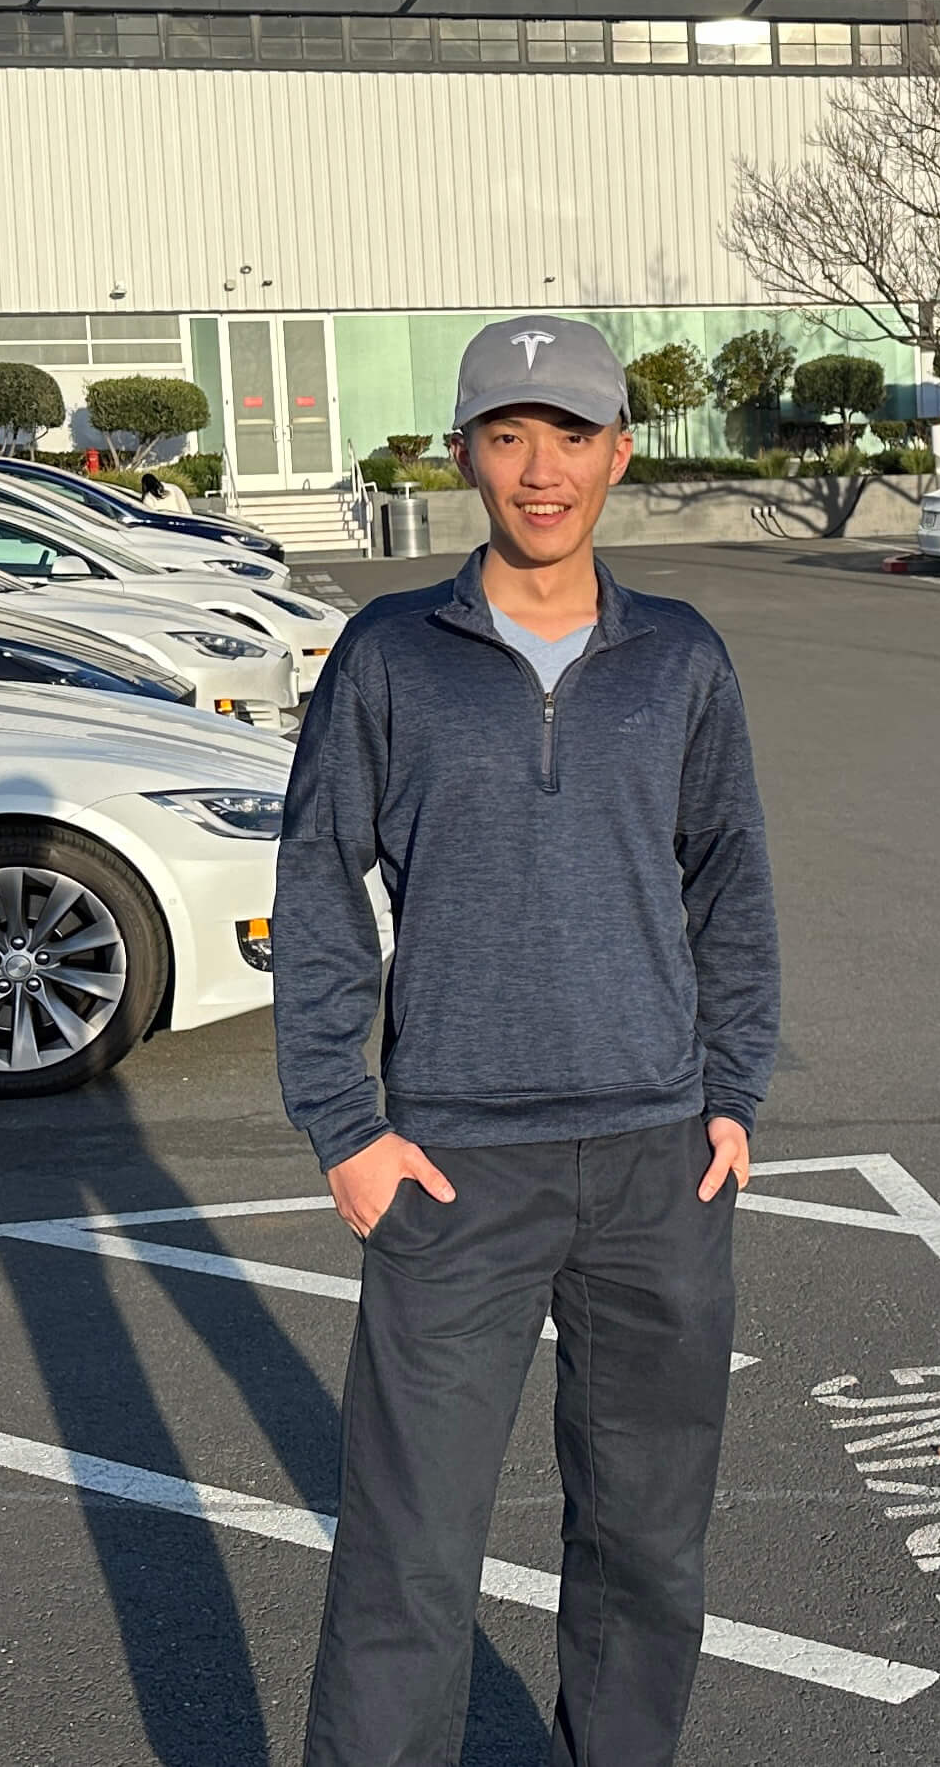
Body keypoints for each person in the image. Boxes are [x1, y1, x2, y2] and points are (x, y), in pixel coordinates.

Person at [273, 314, 780, 1767]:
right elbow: (317, 883)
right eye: (508, 436)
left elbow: (730, 883)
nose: (539, 470)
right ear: (465, 454)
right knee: (408, 1566)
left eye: (570, 436)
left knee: (644, 1556)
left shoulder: (679, 659)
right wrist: (345, 1127)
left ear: (619, 453)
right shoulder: (391, 656)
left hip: (655, 1170)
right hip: (452, 1172)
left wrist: (731, 1094)